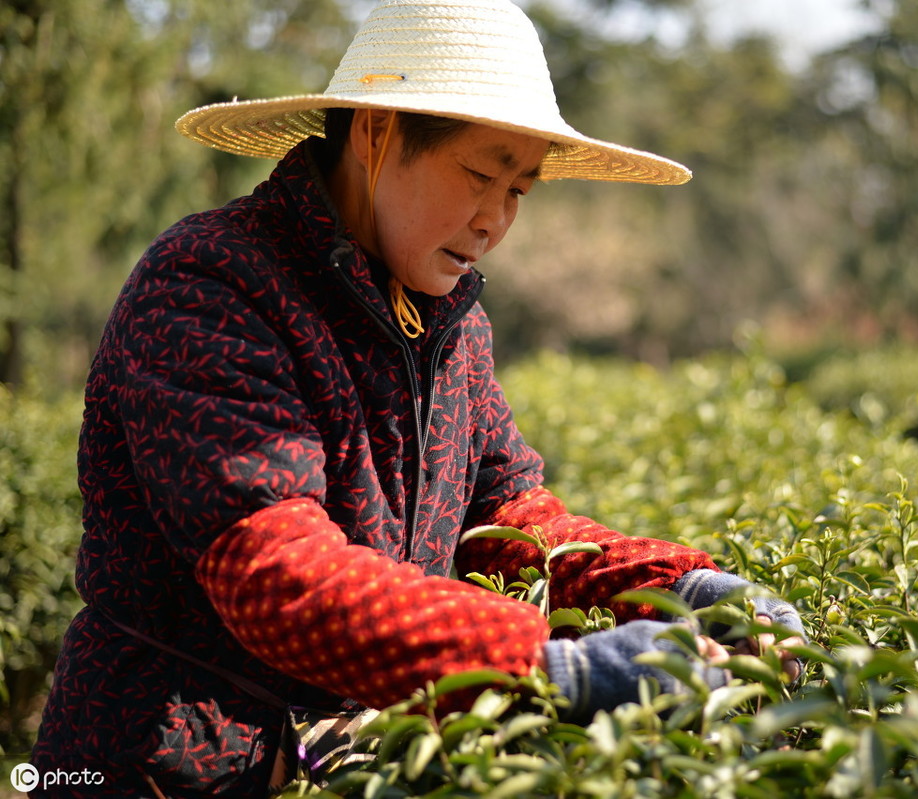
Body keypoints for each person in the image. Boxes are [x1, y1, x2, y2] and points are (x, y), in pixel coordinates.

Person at [31, 0, 806, 795]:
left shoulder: (449, 319)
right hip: (158, 761)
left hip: (344, 755)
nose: (494, 219)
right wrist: (541, 665)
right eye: (478, 174)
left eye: (519, 190)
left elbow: (505, 516)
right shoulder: (211, 286)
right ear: (376, 133)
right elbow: (274, 570)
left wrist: (675, 584)